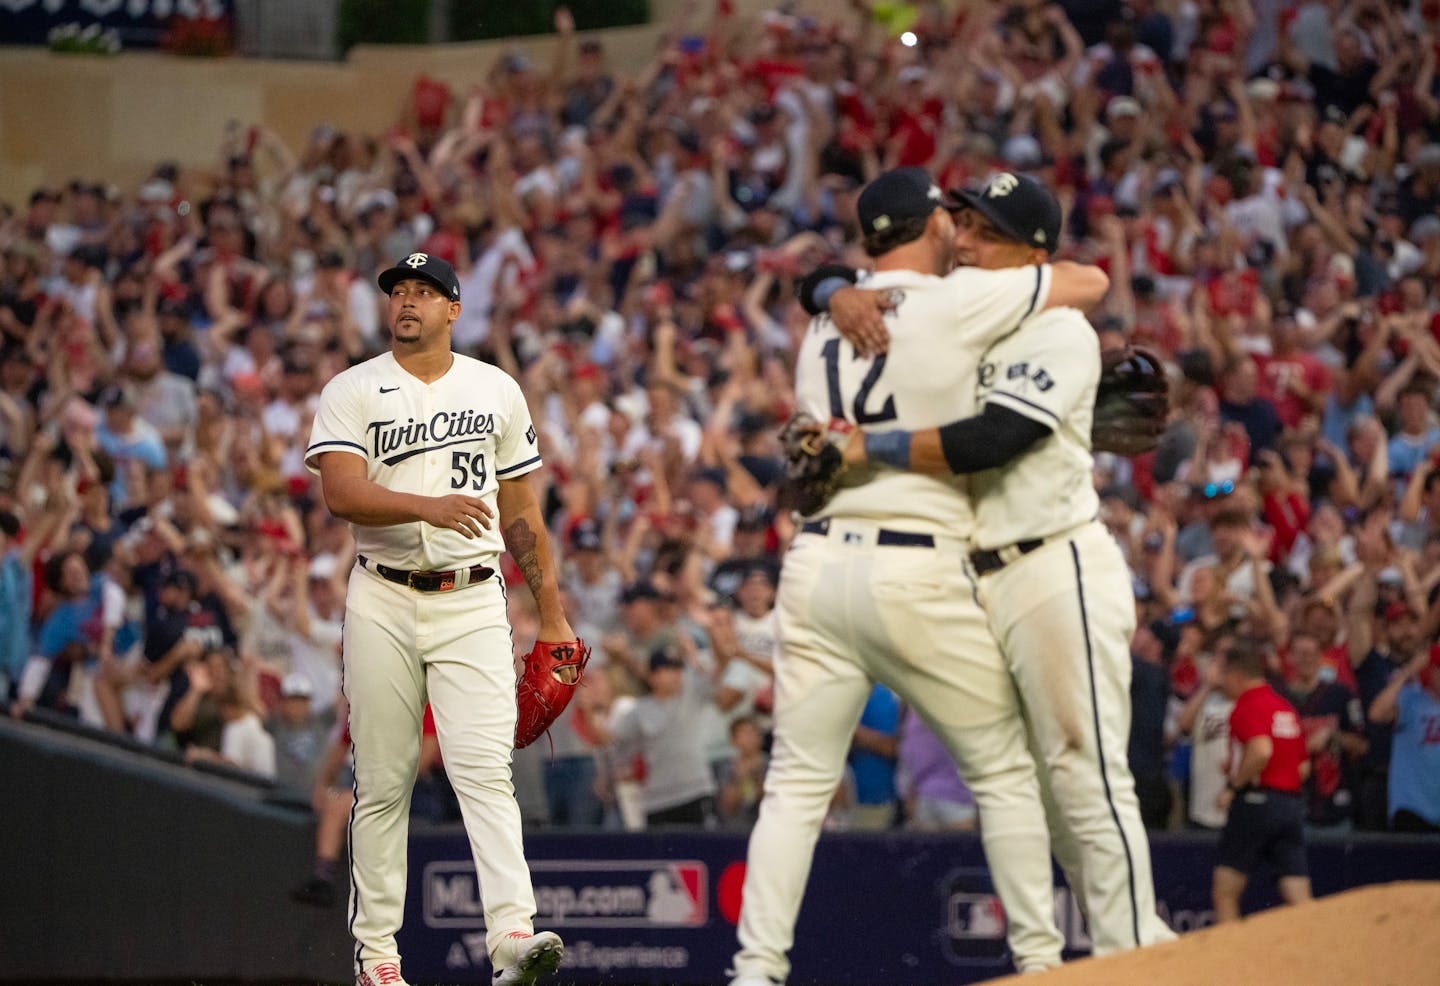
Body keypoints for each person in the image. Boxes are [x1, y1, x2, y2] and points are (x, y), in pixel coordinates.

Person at [730, 167, 1112, 986]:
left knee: (795, 787)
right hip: (914, 561)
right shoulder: (955, 301)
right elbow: (1090, 281)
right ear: (930, 222)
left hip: (815, 558)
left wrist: (832, 286)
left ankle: (754, 973)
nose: (956, 226)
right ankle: (1042, 965)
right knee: (1005, 769)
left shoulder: (822, 327)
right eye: (947, 214)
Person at [821, 172, 1176, 954]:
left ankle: (1138, 957)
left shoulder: (1058, 329)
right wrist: (828, 289)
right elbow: (846, 282)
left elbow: (993, 440)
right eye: (964, 224)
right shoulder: (965, 317)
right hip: (987, 578)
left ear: (1035, 253)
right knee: (1046, 789)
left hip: (1056, 565)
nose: (966, 240)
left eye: (985, 230)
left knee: (1085, 769)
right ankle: (1133, 945)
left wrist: (867, 445)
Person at [305, 252, 567, 986]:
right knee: (383, 781)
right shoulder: (352, 388)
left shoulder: (495, 388)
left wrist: (551, 613)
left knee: (485, 771)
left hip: (474, 594)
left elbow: (521, 512)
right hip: (381, 594)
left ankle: (513, 935)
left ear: (454, 309)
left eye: (425, 291)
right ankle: (379, 959)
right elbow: (341, 492)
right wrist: (427, 506)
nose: (408, 302)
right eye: (399, 292)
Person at [1212, 638, 1311, 922]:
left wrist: (1234, 787)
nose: (1221, 682)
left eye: (1223, 675)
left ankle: (1229, 957)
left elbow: (1260, 749)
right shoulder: (1284, 707)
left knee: (1225, 890)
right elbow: (1302, 767)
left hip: (1256, 803)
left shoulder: (1246, 706)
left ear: (1237, 674)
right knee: (1297, 892)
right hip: (1290, 806)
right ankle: (1317, 955)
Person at [1366, 647, 1440, 833]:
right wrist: (1407, 672)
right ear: (1431, 670)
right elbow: (1377, 713)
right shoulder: (1411, 697)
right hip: (1412, 808)